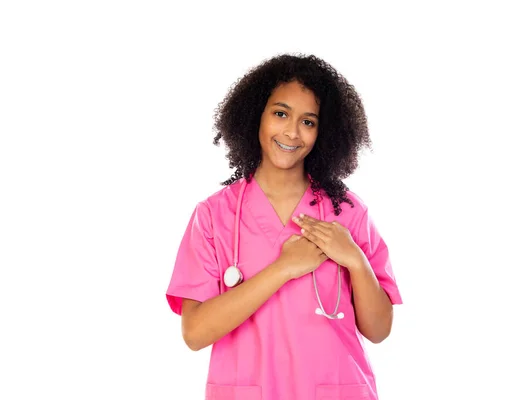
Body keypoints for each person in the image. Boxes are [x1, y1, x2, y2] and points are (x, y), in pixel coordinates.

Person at [165, 53, 403, 400]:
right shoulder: (214, 216)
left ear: (324, 131)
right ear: (255, 116)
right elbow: (195, 332)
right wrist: (284, 268)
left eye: (308, 121)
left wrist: (355, 260)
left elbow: (379, 330)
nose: (292, 131)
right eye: (280, 114)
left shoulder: (347, 212)